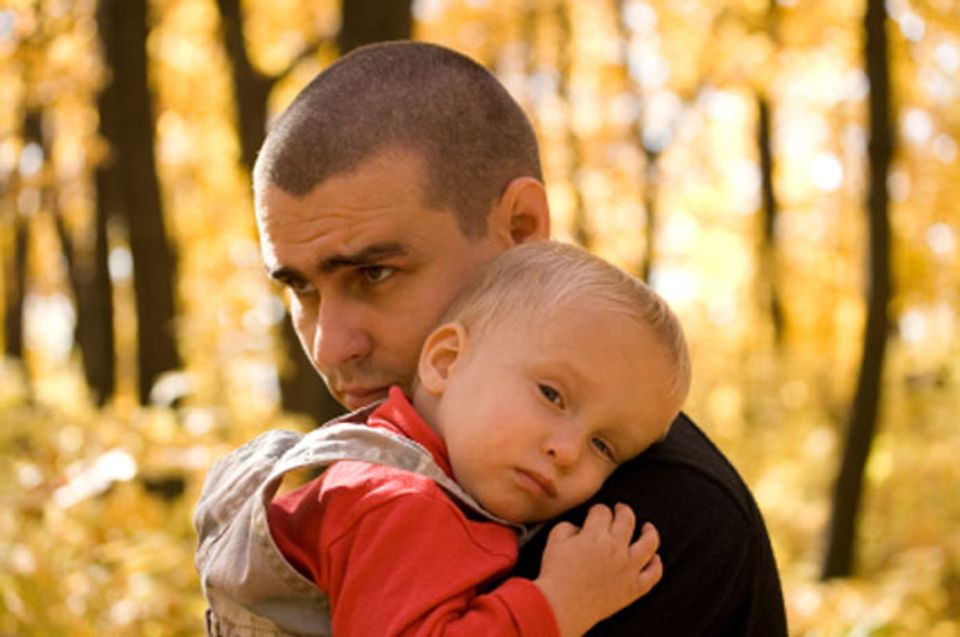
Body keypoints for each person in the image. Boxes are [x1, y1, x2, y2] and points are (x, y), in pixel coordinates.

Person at [219, 40, 787, 635]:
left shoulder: (643, 525)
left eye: (375, 273)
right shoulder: (383, 485)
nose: (331, 347)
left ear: (521, 230)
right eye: (301, 291)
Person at [196, 240, 692, 635]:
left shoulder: (438, 496)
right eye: (552, 395)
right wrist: (558, 604)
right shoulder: (396, 503)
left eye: (604, 447)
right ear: (446, 361)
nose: (567, 451)